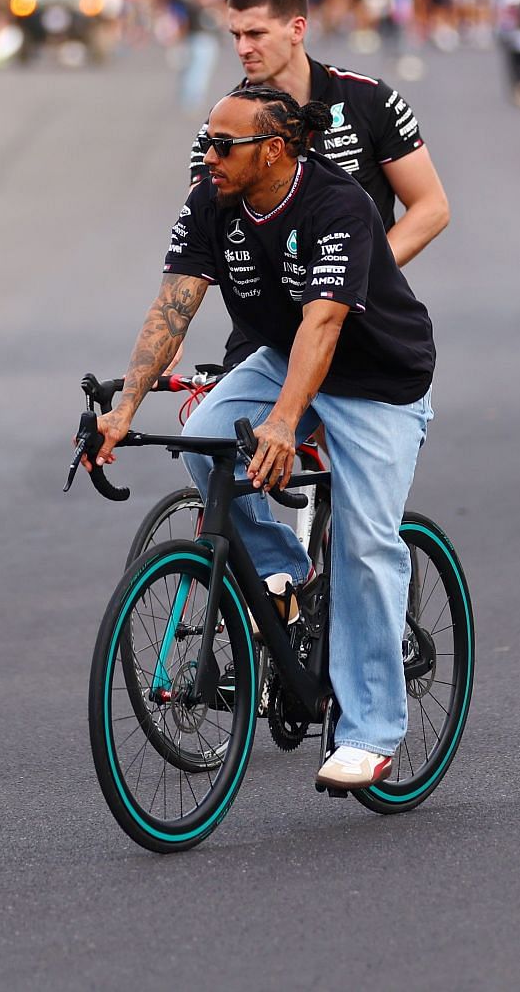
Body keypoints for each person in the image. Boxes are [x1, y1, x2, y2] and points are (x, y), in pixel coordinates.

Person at [92, 86, 435, 791]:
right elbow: (173, 304)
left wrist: (284, 420)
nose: (208, 156)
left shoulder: (337, 204)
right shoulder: (209, 202)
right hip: (286, 355)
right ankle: (284, 568)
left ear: (274, 150)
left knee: (367, 541)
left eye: (224, 145)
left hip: (375, 378)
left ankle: (370, 730)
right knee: (205, 437)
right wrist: (124, 405)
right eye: (207, 141)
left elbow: (325, 324)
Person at [187, 0, 448, 372]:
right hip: (267, 329)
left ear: (297, 28)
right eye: (235, 35)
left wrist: (356, 273)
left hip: (360, 317)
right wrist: (174, 330)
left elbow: (431, 207)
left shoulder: (368, 98)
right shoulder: (222, 129)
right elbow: (202, 234)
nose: (243, 47)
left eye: (256, 33)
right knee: (233, 433)